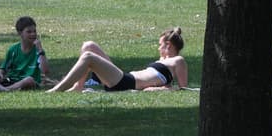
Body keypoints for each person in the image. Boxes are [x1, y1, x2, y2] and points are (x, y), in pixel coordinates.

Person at [47, 28, 188, 92]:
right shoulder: (162, 61)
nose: (158, 48)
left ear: (168, 45)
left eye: (160, 45)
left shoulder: (178, 60)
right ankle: (78, 86)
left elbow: (184, 89)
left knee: (88, 57)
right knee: (88, 46)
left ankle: (58, 89)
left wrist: (163, 89)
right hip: (123, 77)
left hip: (126, 83)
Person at [0, 16, 49, 91]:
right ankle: (6, 89)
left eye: (34, 31)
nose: (33, 34)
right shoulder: (13, 50)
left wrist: (40, 50)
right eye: (29, 32)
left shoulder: (38, 51)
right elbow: (3, 68)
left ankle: (3, 89)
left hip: (27, 82)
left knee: (29, 80)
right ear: (20, 33)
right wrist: (0, 74)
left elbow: (45, 71)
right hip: (11, 81)